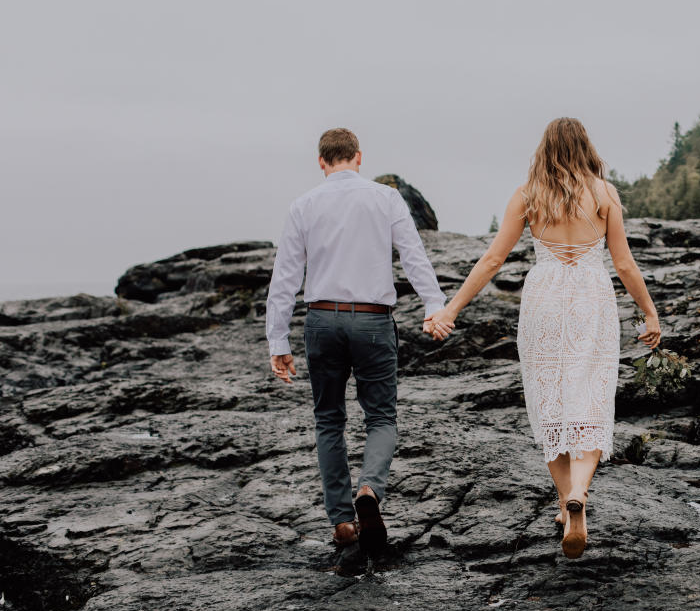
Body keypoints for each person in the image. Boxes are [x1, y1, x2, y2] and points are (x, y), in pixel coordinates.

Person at [424, 118, 661, 558]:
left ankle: (563, 498)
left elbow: (494, 258)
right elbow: (625, 264)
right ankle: (579, 495)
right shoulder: (605, 194)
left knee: (550, 401)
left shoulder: (529, 194)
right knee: (590, 398)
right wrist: (649, 313)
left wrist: (450, 309)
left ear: (545, 149)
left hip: (546, 300)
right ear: (586, 147)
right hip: (591, 295)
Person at [265, 127, 450, 564]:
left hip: (322, 320)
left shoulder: (303, 205)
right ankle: (369, 488)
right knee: (382, 416)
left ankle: (342, 521)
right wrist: (434, 306)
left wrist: (278, 339)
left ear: (322, 161)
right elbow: (413, 255)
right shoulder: (385, 199)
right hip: (372, 321)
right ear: (359, 158)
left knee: (329, 420)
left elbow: (285, 278)